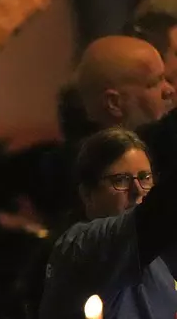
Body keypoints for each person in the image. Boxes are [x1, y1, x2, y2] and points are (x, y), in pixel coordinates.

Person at [39, 128, 177, 318]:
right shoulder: (79, 247)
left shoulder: (159, 256)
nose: (138, 191)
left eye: (145, 177)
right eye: (120, 180)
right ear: (87, 194)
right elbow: (154, 216)